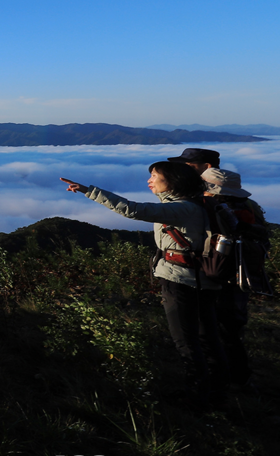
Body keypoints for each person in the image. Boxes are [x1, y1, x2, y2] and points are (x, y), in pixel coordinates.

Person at [60, 162, 226, 406]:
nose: (150, 181)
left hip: (182, 280)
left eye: (155, 176)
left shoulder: (181, 208)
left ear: (174, 181)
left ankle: (197, 397)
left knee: (186, 340)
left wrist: (90, 191)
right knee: (206, 337)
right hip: (201, 280)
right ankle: (217, 392)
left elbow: (132, 210)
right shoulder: (195, 205)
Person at [201, 167, 268, 387]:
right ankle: (239, 376)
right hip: (243, 275)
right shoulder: (250, 207)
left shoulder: (214, 208)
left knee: (215, 328)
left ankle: (224, 377)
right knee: (231, 328)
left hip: (218, 273)